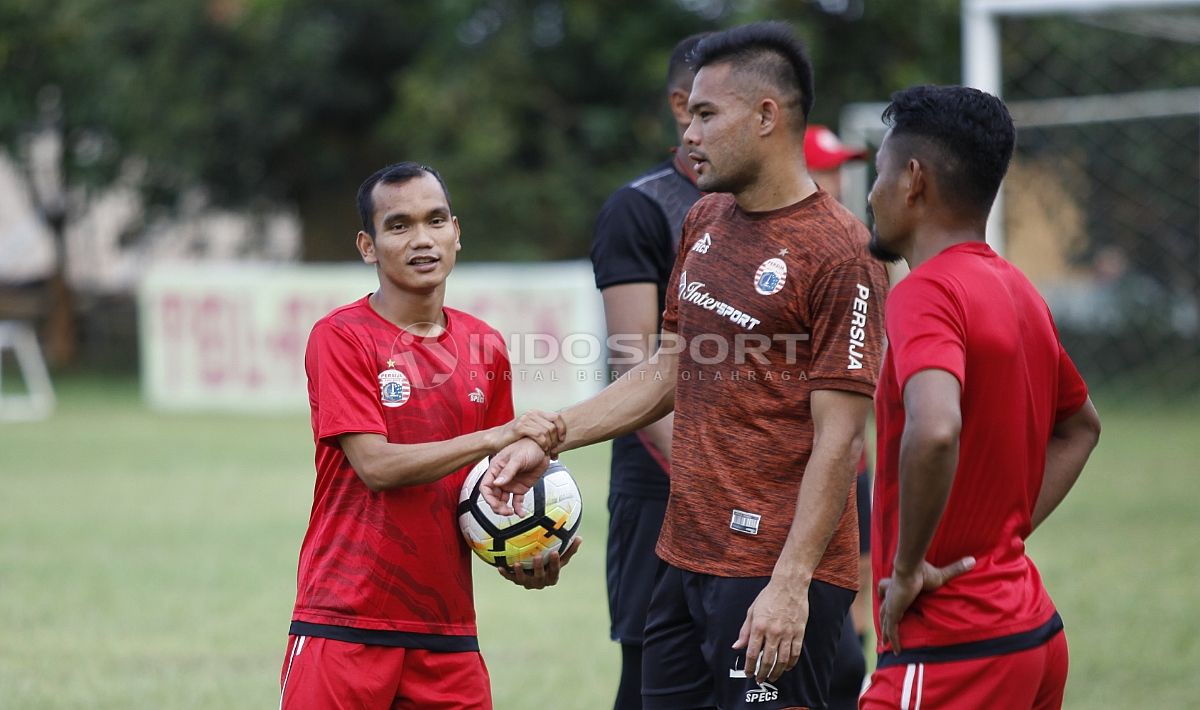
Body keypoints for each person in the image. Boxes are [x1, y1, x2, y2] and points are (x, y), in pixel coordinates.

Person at [487, 22, 889, 710]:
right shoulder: (705, 221)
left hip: (772, 575)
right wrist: (549, 436)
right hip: (683, 560)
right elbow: (666, 370)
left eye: (706, 114)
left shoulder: (843, 252)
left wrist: (790, 584)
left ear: (767, 116)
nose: (689, 133)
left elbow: (840, 438)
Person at [279, 162, 580, 710]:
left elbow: (484, 487)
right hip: (344, 622)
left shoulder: (484, 346)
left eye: (435, 220)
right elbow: (377, 467)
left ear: (456, 232)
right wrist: (498, 435)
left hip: (446, 634)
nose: (422, 239)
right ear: (368, 247)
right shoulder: (341, 338)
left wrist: (522, 548)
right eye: (399, 226)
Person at [860, 85, 1102, 709]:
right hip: (1033, 634)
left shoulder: (924, 293)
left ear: (913, 181)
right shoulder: (1018, 289)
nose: (871, 193)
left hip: (951, 647)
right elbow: (1081, 427)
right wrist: (1002, 539)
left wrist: (909, 568)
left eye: (880, 173)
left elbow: (936, 428)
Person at [589, 32, 706, 710]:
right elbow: (634, 363)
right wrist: (711, 474)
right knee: (654, 682)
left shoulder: (775, 214)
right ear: (679, 104)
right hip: (665, 487)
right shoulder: (641, 208)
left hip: (763, 487)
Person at [804, 124, 873, 710]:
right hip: (808, 469)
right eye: (824, 167)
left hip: (859, 461)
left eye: (840, 168)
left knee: (858, 622)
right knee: (838, 655)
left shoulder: (859, 247)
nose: (837, 181)